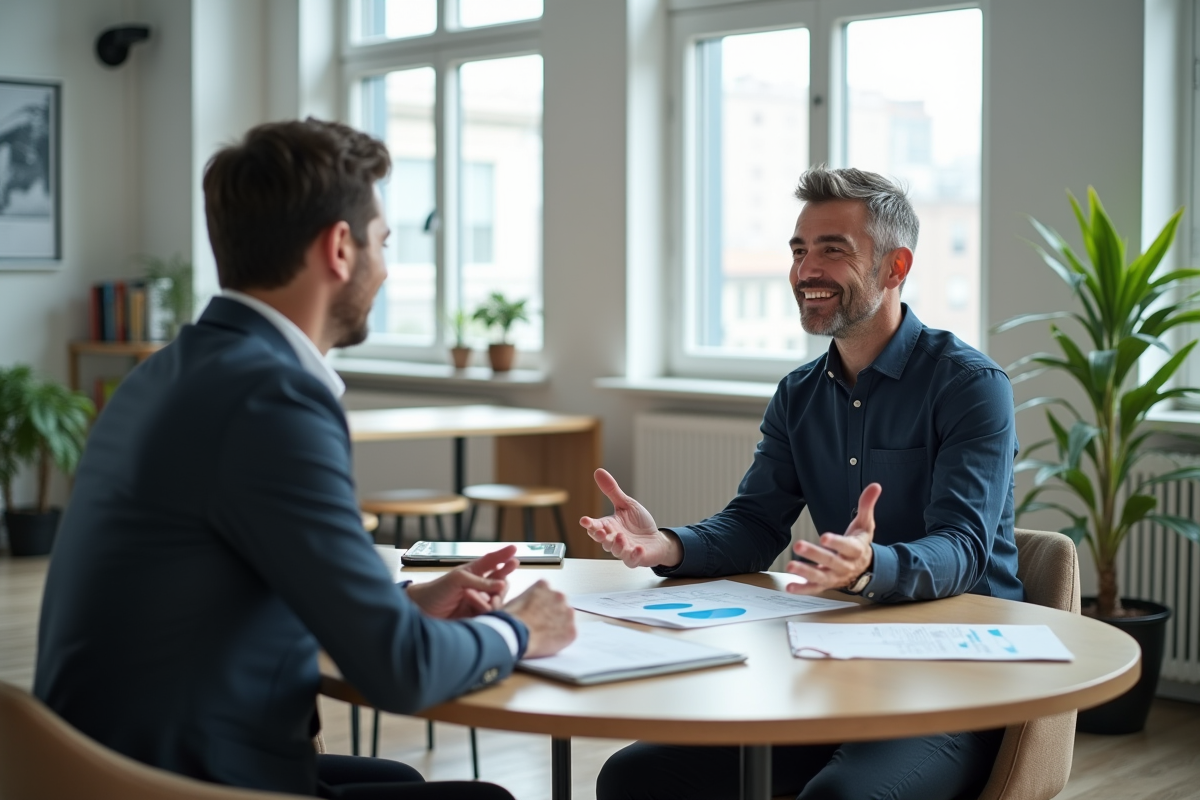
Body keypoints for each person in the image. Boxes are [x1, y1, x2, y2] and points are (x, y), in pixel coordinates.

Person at [33, 118, 576, 800]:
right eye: (384, 242)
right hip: (179, 782)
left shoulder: (172, 370)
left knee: (399, 780)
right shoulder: (271, 398)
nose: (387, 267)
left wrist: (404, 604)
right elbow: (398, 674)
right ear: (339, 248)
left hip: (97, 765)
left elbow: (245, 579)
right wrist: (517, 629)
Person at [582, 166, 1022, 800]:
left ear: (895, 268)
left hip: (952, 677)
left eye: (832, 250)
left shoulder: (970, 386)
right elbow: (756, 525)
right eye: (798, 249)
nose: (806, 269)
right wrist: (668, 547)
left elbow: (963, 546)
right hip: (837, 662)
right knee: (633, 776)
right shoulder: (799, 394)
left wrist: (874, 565)